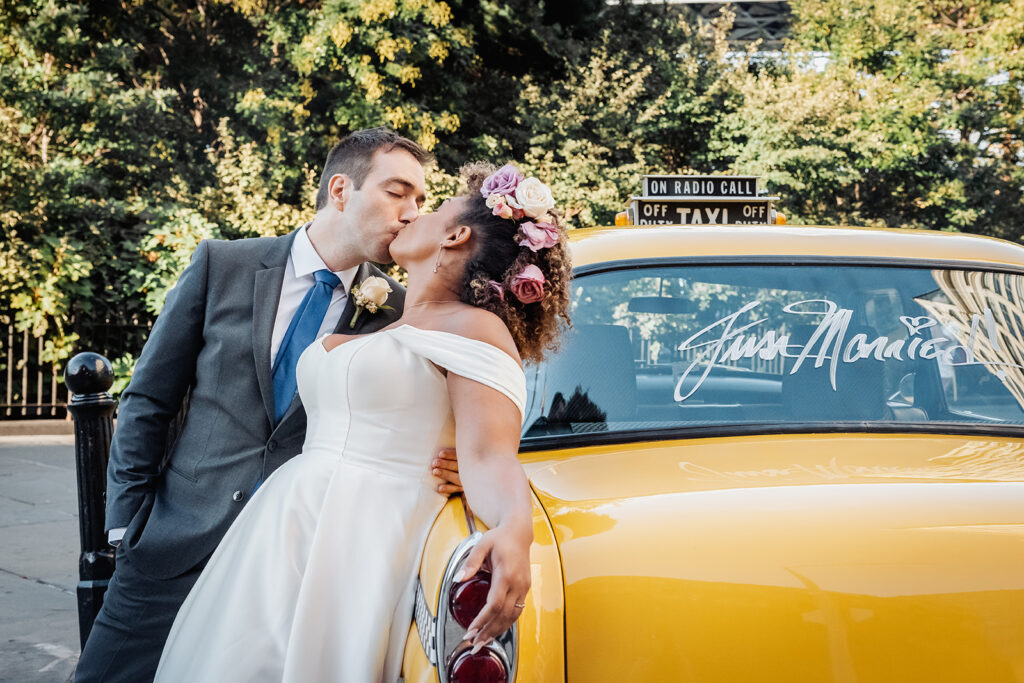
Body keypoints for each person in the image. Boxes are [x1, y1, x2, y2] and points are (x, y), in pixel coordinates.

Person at [153, 162, 571, 681]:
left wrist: (514, 527)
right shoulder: (390, 315)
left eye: (433, 210)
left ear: (457, 235)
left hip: (367, 540)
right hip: (286, 528)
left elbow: (489, 453)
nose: (413, 215)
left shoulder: (475, 326)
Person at [74, 128, 465, 683]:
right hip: (174, 546)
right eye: (397, 192)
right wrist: (125, 529)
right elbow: (148, 399)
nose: (411, 212)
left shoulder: (399, 312)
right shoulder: (222, 265)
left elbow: (421, 422)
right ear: (339, 189)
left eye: (422, 201)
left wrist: (461, 467)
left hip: (291, 569)